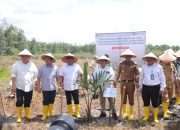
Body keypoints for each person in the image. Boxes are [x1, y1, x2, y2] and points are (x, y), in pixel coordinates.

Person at [11, 49, 38, 123]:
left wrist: (36, 84)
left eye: (27, 56)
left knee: (28, 101)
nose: (25, 57)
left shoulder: (33, 65)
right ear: (21, 56)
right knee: (19, 101)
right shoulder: (16, 65)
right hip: (19, 86)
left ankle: (27, 115)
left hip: (29, 87)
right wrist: (13, 86)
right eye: (23, 56)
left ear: (29, 57)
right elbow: (13, 76)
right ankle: (19, 116)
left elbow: (35, 76)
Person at [139, 52, 166, 123]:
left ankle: (155, 117)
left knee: (155, 102)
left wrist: (162, 88)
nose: (149, 60)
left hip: (155, 87)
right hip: (145, 87)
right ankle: (146, 116)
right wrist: (140, 86)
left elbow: (162, 78)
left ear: (154, 60)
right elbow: (141, 77)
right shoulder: (144, 66)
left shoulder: (159, 67)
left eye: (150, 59)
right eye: (147, 59)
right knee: (146, 102)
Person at [116, 49, 139, 120]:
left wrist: (137, 80)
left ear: (131, 57)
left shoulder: (134, 64)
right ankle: (124, 112)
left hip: (131, 83)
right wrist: (115, 81)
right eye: (126, 56)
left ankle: (131, 113)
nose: (128, 57)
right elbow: (118, 73)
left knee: (131, 98)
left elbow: (137, 73)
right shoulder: (121, 64)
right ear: (124, 56)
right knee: (123, 98)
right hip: (123, 83)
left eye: (129, 56)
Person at [93, 55, 118, 120]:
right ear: (99, 62)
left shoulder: (109, 68)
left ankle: (114, 113)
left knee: (110, 100)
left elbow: (112, 76)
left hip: (108, 86)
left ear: (106, 62)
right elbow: (94, 77)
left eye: (103, 61)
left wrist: (109, 82)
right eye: (101, 61)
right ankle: (103, 113)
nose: (102, 62)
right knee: (102, 100)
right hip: (101, 86)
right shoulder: (97, 69)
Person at [58, 53, 83, 118]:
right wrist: (60, 83)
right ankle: (70, 112)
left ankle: (77, 112)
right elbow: (60, 76)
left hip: (75, 86)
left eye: (70, 58)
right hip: (66, 86)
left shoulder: (77, 66)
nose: (69, 60)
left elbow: (81, 74)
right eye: (68, 58)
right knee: (68, 99)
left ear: (73, 59)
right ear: (66, 60)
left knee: (76, 99)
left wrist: (79, 80)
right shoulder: (63, 66)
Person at [35, 53, 58, 120]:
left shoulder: (55, 67)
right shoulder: (41, 68)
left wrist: (59, 86)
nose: (47, 60)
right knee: (45, 101)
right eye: (46, 59)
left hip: (53, 88)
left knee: (51, 101)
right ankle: (45, 114)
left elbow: (57, 77)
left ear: (51, 60)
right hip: (45, 88)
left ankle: (50, 113)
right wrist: (38, 87)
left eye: (48, 59)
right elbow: (38, 78)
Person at [159, 52, 176, 119]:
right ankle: (164, 111)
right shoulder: (160, 65)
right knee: (164, 97)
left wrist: (174, 81)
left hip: (170, 83)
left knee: (170, 96)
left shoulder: (172, 65)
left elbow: (174, 73)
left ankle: (167, 109)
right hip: (163, 83)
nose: (168, 60)